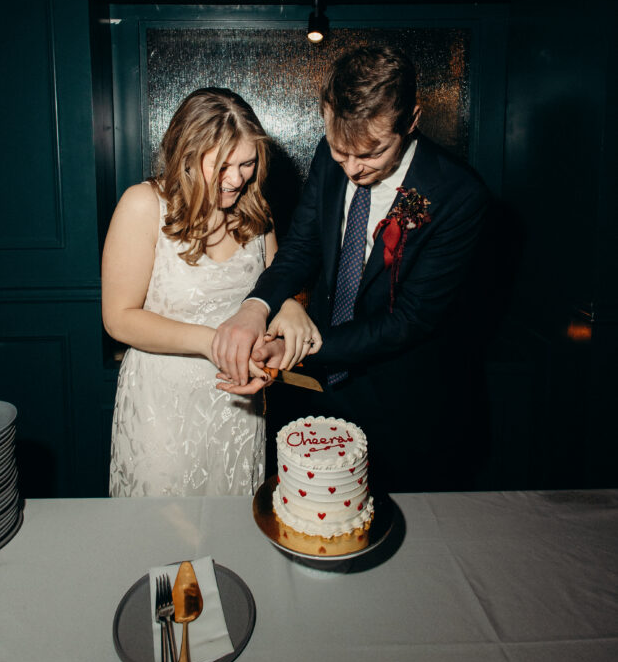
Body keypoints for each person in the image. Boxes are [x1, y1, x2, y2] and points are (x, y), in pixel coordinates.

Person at [213, 47, 490, 490]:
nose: (353, 168)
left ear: (412, 119)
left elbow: (411, 320)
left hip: (402, 402)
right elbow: (302, 246)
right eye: (341, 152)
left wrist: (297, 348)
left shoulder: (458, 194)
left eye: (372, 153)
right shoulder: (330, 156)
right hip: (316, 394)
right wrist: (257, 306)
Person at [103, 87, 320, 497]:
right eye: (222, 166)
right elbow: (118, 317)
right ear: (186, 155)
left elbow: (271, 293)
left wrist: (288, 306)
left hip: (238, 407)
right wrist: (213, 343)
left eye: (247, 163)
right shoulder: (143, 204)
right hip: (161, 408)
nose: (237, 178)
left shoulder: (258, 215)